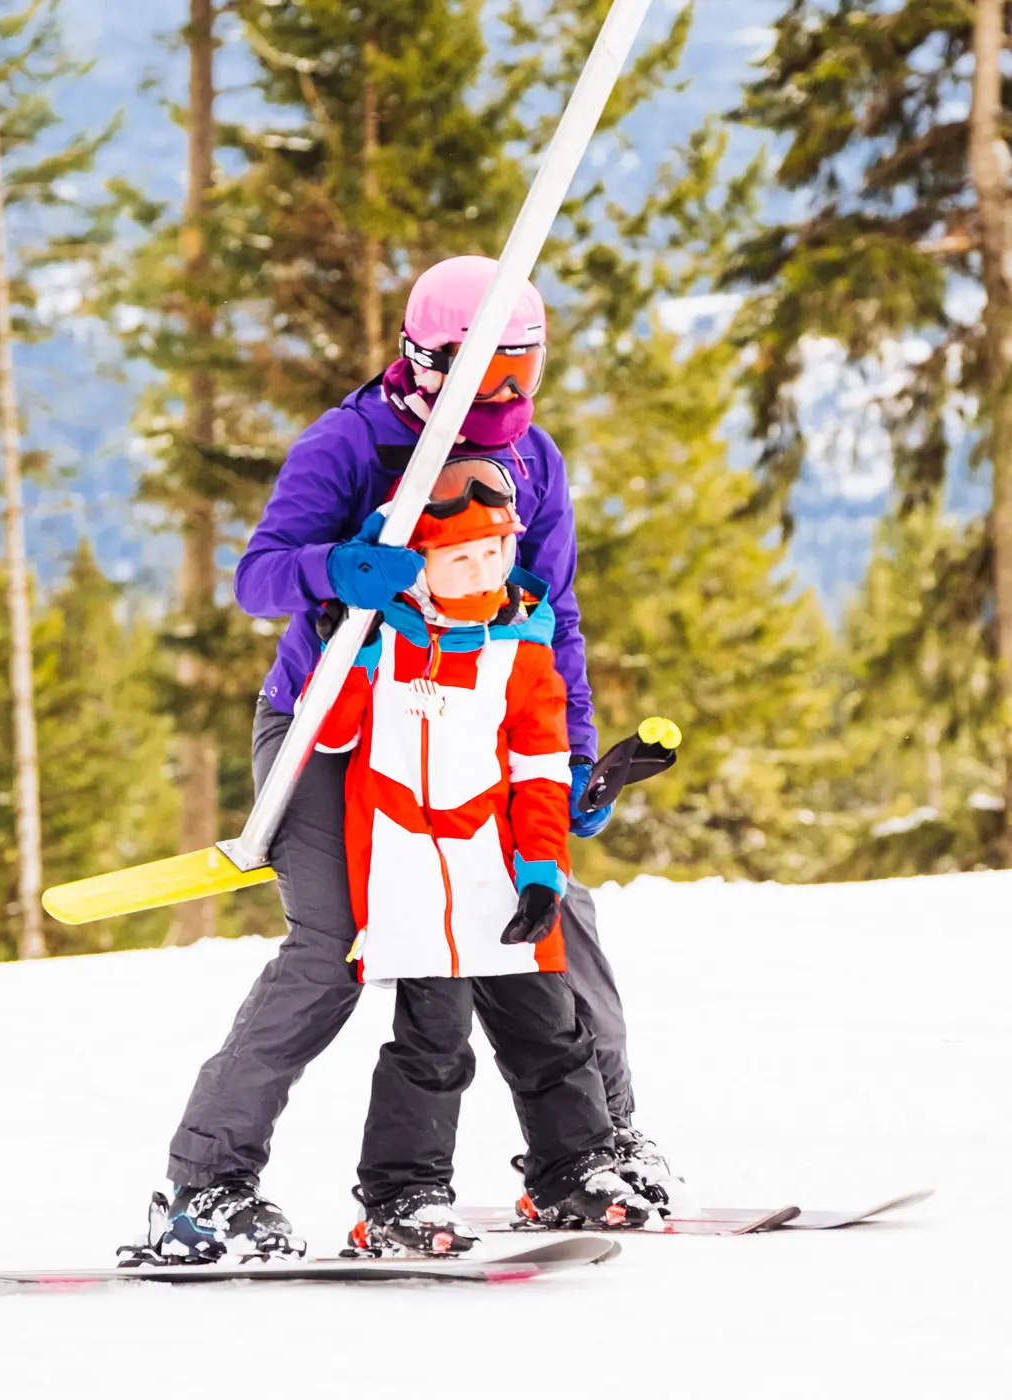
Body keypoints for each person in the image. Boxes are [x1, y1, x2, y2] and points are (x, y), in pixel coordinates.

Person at [143, 256, 674, 1262]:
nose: (511, 400)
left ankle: (594, 1148)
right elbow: (259, 576)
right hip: (331, 728)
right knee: (336, 944)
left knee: (546, 912)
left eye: (527, 374)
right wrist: (334, 569)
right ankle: (206, 1185)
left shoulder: (535, 464)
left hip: (469, 729)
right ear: (429, 365)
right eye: (492, 379)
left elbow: (550, 615)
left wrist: (568, 757)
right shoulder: (351, 442)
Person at [324, 464, 650, 1252]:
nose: (485, 570)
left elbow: (539, 773)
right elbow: (330, 735)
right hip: (406, 866)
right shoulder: (381, 640)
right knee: (433, 1041)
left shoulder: (524, 651)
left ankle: (570, 1170)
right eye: (461, 557)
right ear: (420, 563)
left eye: (497, 551)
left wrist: (542, 872)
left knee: (550, 1028)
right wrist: (354, 636)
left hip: (496, 866)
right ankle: (403, 1198)